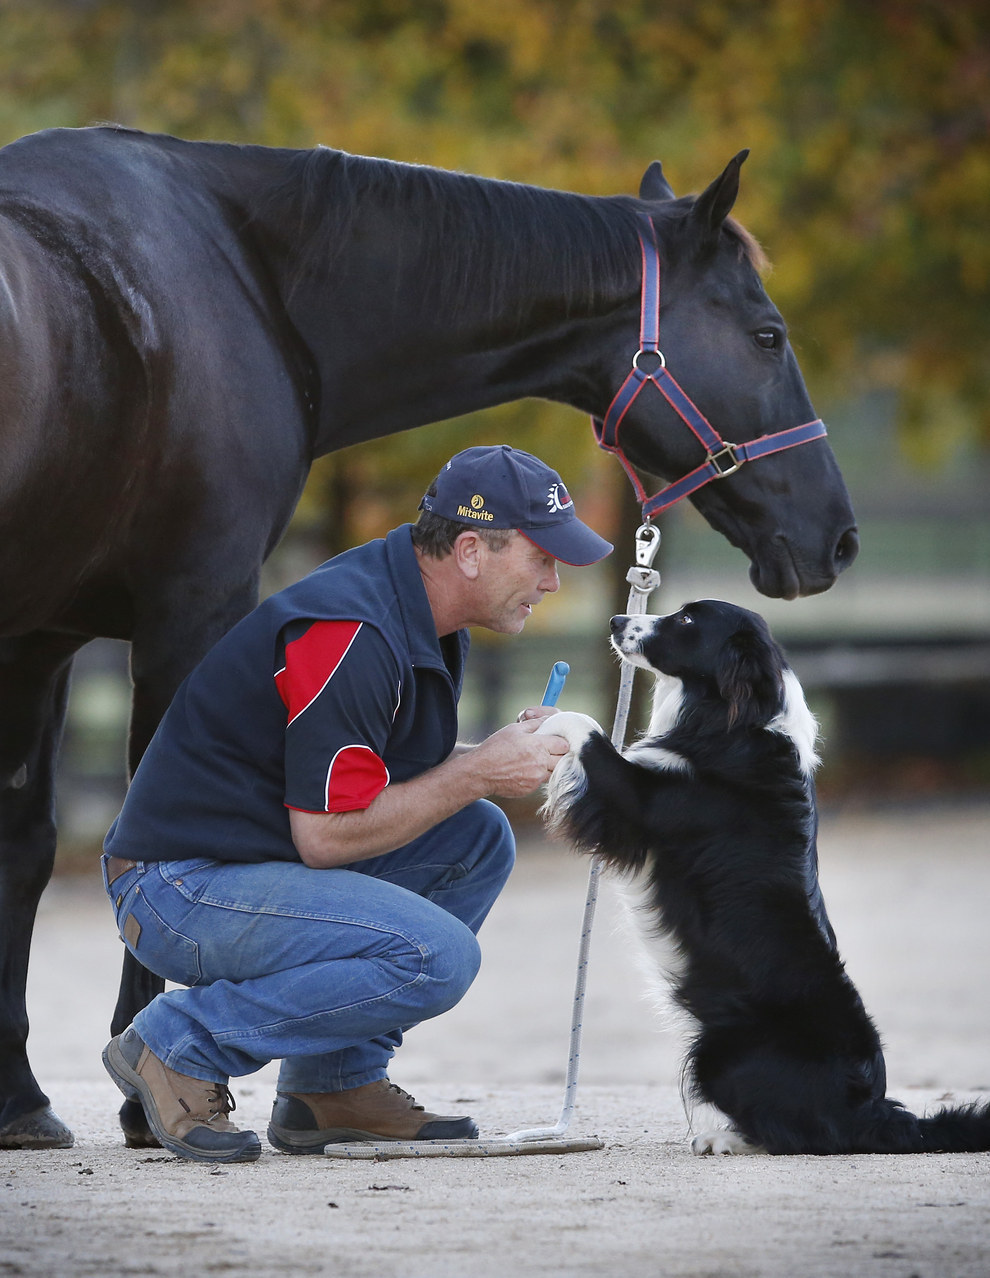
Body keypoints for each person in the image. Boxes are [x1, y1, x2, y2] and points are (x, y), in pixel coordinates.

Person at [100, 445, 612, 1163]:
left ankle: (332, 1086)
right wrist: (478, 772)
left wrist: (487, 761)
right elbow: (328, 837)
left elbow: (363, 779)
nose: (554, 582)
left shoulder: (412, 608)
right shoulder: (353, 631)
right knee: (436, 957)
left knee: (475, 837)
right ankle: (178, 1042)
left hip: (239, 865)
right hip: (175, 887)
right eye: (542, 558)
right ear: (470, 549)